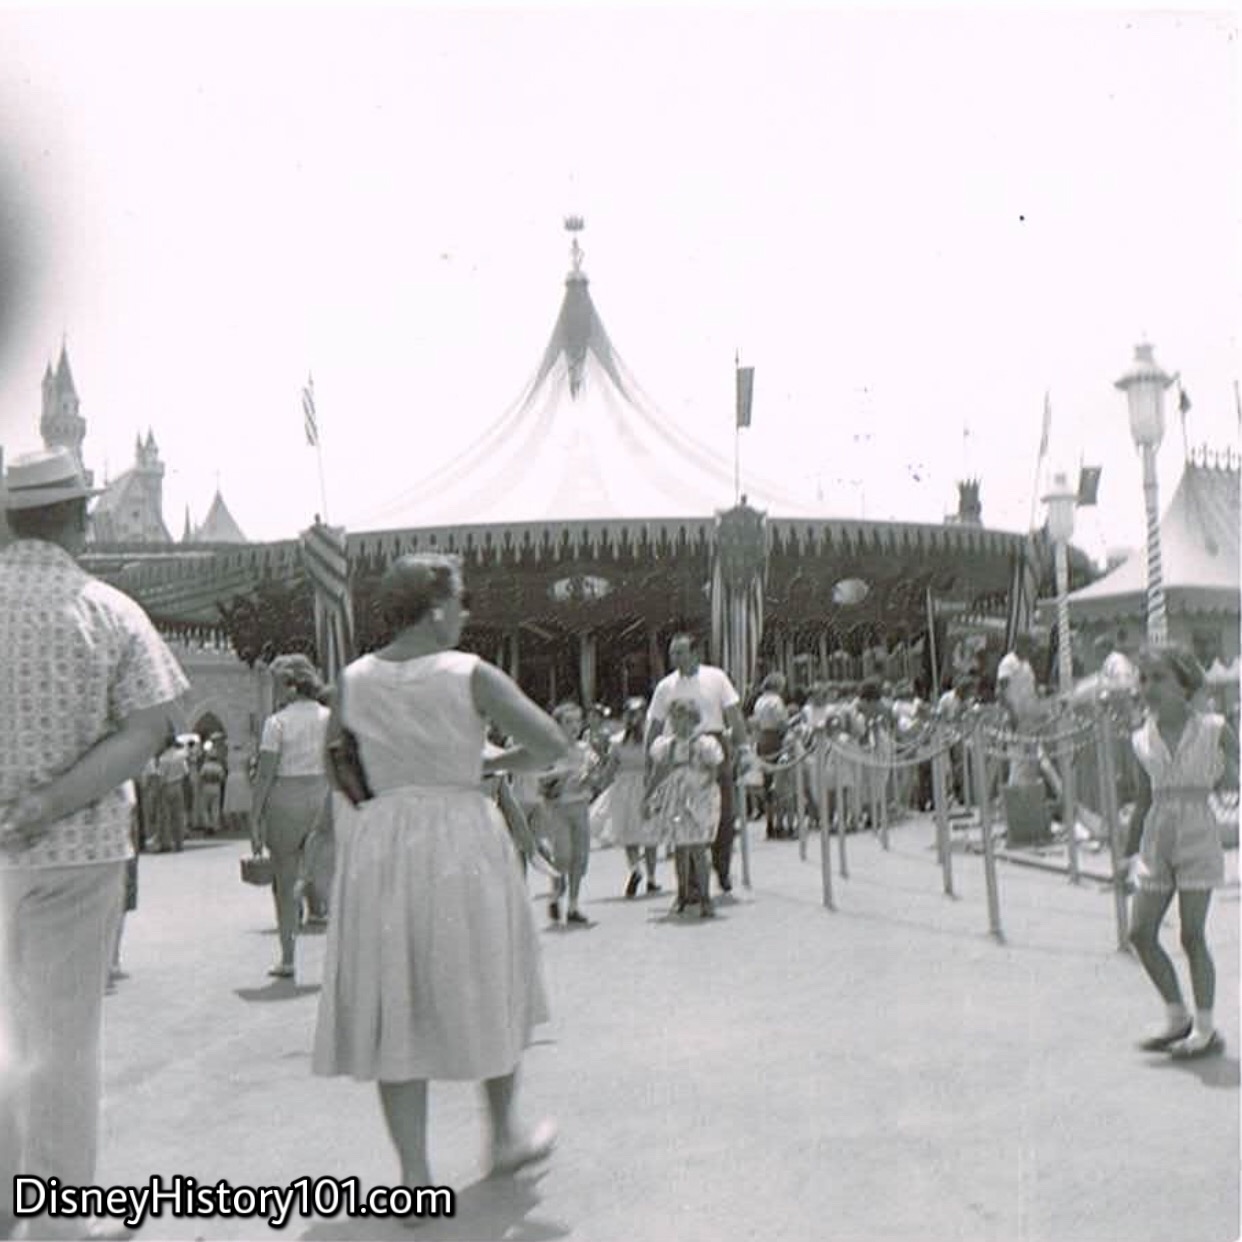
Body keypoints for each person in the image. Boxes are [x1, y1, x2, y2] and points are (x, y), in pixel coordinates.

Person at [313, 552, 566, 1191]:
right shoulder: (469, 673)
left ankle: (415, 1174)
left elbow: (336, 765)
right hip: (459, 835)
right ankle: (503, 1134)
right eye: (460, 600)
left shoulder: (353, 677)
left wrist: (392, 793)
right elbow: (550, 744)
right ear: (435, 608)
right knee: (486, 975)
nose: (465, 611)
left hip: (382, 840)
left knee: (395, 993)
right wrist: (485, 761)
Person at [0, 446, 188, 1241]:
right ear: (78, 518)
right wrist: (51, 800)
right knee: (64, 1042)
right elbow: (151, 728)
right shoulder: (109, 609)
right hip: (78, 851)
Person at [1125, 644, 1238, 1060]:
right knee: (1140, 931)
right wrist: (1125, 854)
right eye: (1144, 678)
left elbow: (1237, 773)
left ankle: (1205, 1029)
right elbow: (1140, 800)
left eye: (1159, 678)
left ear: (1185, 684)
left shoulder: (1212, 728)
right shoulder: (1140, 739)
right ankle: (1176, 1014)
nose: (1149, 687)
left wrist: (1229, 773)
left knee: (1192, 935)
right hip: (1158, 836)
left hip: (1196, 833)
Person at [646, 633, 750, 894]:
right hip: (679, 748)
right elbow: (656, 723)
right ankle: (691, 885)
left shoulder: (716, 677)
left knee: (723, 812)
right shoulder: (665, 687)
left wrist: (744, 748)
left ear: (695, 653)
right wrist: (650, 758)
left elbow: (733, 715)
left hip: (712, 743)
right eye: (672, 653)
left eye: (680, 652)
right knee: (682, 817)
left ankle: (722, 866)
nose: (675, 658)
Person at [250, 653, 331, 978]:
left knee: (284, 880)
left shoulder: (277, 723)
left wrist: (255, 817)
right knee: (328, 877)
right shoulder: (330, 717)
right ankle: (337, 960)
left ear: (292, 686)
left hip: (287, 798)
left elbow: (266, 774)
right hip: (323, 793)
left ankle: (288, 957)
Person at [645, 700, 724, 917]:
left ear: (694, 719)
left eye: (685, 718)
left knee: (699, 848)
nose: (680, 724)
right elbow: (658, 772)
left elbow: (714, 771)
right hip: (676, 799)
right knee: (680, 848)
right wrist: (648, 797)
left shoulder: (704, 744)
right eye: (676, 719)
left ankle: (706, 896)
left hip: (698, 798)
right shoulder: (666, 745)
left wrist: (705, 789)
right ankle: (682, 893)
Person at [536, 701, 600, 926]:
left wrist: (590, 777)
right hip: (558, 808)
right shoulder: (550, 749)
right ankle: (556, 894)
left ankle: (573, 905)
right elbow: (541, 781)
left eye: (577, 721)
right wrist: (557, 778)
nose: (574, 726)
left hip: (580, 807)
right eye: (568, 721)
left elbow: (595, 778)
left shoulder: (585, 750)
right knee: (562, 856)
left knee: (580, 857)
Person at [590, 697, 662, 897]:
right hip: (643, 785)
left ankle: (636, 869)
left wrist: (600, 784)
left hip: (624, 787)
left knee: (630, 833)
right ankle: (651, 878)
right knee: (648, 835)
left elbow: (611, 769)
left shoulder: (619, 741)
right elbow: (654, 765)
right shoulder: (649, 740)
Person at [752, 672, 789, 839]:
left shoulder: (759, 701)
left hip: (762, 739)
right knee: (779, 782)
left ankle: (769, 821)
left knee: (767, 783)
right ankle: (780, 823)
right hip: (775, 739)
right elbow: (782, 723)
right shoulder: (776, 701)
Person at [154, 739, 189, 852]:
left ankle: (166, 843)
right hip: (178, 786)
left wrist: (157, 790)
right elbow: (185, 772)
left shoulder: (163, 758)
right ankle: (179, 842)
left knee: (165, 816)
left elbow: (161, 777)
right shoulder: (180, 756)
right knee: (178, 815)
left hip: (166, 787)